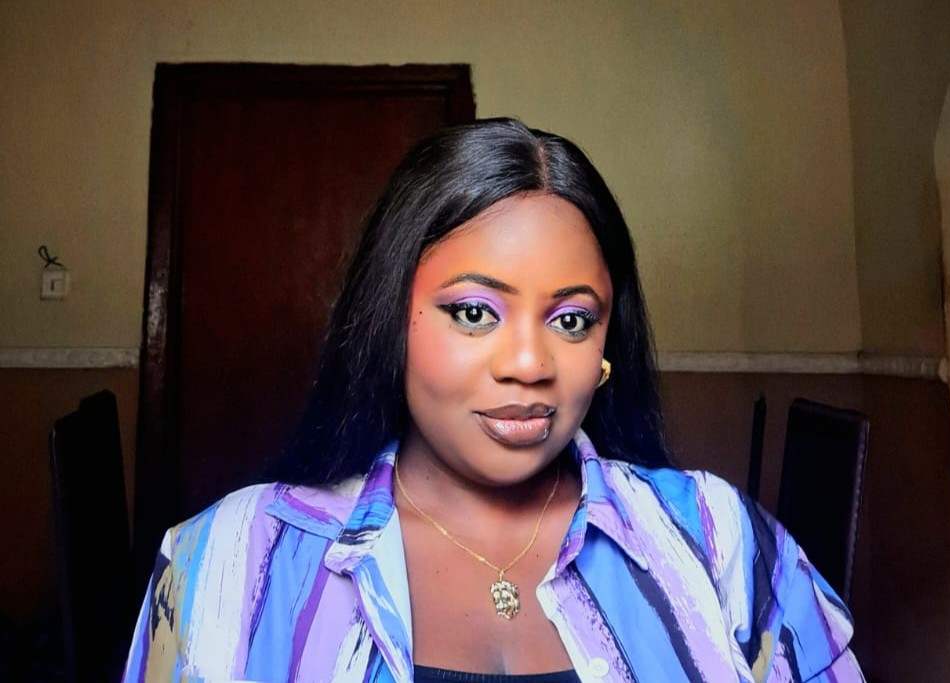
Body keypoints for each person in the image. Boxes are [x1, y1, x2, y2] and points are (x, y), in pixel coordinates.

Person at [122, 118, 863, 682]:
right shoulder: (233, 557)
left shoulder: (723, 546)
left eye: (571, 320)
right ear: (390, 321)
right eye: (475, 312)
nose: (529, 364)